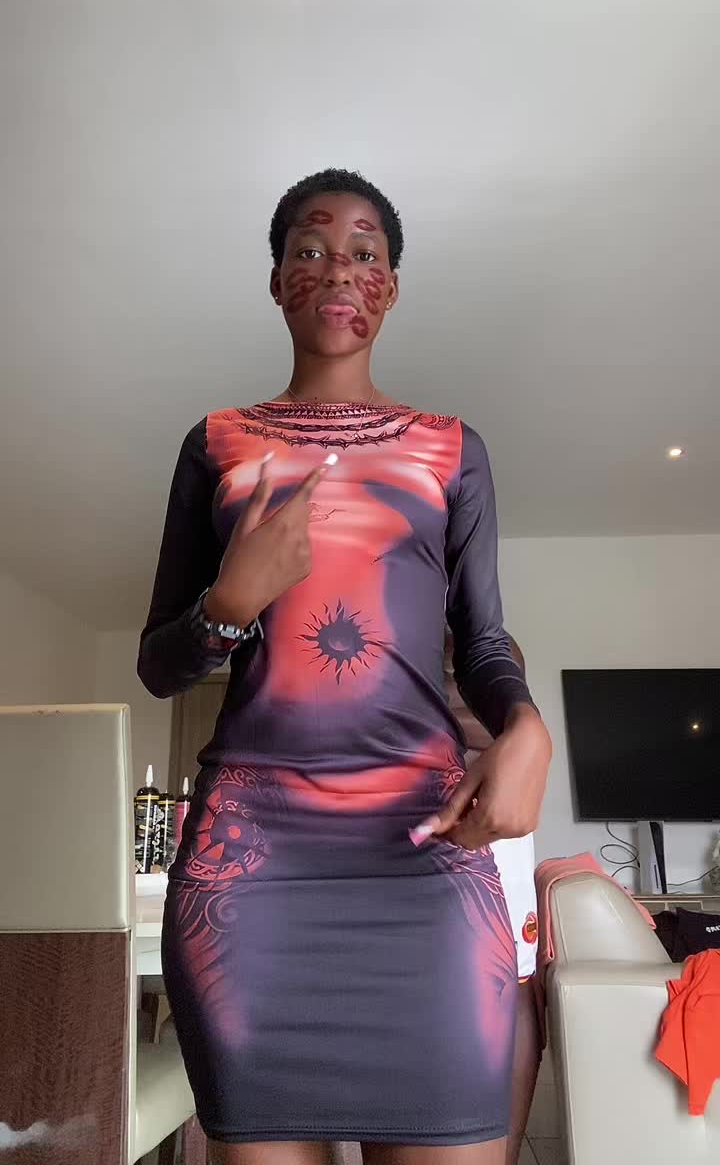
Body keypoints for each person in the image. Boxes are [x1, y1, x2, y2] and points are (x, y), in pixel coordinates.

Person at [138, 168, 552, 1165]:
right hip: (252, 863)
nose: (337, 269)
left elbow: (482, 641)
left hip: (422, 847)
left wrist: (527, 723)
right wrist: (230, 606)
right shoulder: (216, 443)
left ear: (391, 287)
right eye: (310, 249)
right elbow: (158, 664)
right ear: (277, 280)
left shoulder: (451, 449)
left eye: (365, 252)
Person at [443, 633, 541, 1165]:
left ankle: (502, 1153)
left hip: (484, 813)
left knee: (513, 985)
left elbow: (508, 724)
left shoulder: (482, 635)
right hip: (447, 808)